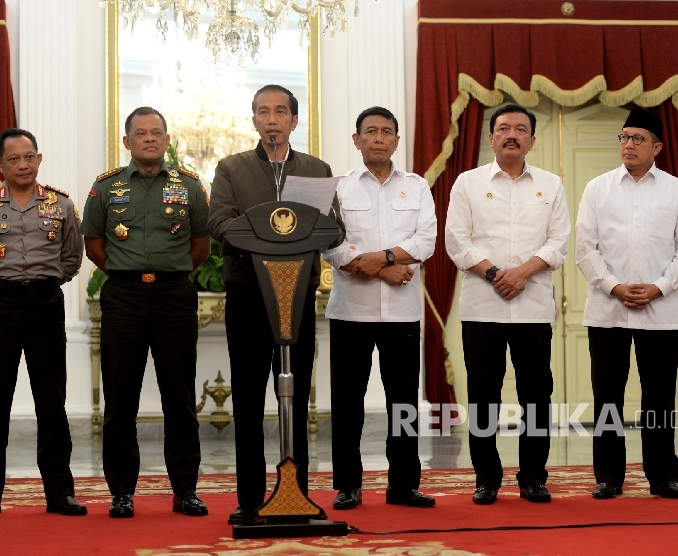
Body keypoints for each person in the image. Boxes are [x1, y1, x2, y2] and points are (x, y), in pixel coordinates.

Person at [207, 84, 343, 525]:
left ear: (293, 121)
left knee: (295, 396)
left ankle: (296, 493)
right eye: (263, 112)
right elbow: (219, 222)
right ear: (253, 121)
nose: (272, 120)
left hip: (296, 294)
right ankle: (249, 497)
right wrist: (266, 234)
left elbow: (333, 227)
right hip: (249, 293)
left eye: (280, 112)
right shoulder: (232, 168)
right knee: (247, 397)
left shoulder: (316, 169)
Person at [82, 107, 211, 518]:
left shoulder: (190, 187)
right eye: (141, 133)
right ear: (127, 142)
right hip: (123, 297)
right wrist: (130, 274)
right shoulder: (106, 188)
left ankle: (185, 491)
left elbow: (201, 247)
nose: (150, 139)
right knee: (121, 399)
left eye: (157, 133)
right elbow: (95, 247)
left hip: (175, 297)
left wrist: (169, 274)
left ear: (168, 140)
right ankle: (122, 492)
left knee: (180, 396)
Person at [445, 103, 571, 505]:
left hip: (533, 307)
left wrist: (523, 272)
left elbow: (559, 242)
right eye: (503, 128)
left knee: (537, 395)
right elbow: (456, 242)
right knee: (484, 395)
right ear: (491, 138)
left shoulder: (551, 184)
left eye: (520, 128)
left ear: (532, 139)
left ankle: (534, 477)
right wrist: (496, 273)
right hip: (484, 306)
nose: (511, 134)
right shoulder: (466, 182)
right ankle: (487, 479)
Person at [575, 107, 678, 500]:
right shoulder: (597, 188)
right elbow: (584, 248)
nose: (628, 145)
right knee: (607, 396)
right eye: (624, 137)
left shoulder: (677, 190)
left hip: (660, 312)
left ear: (657, 147)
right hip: (607, 310)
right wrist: (613, 286)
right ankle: (608, 476)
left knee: (658, 398)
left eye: (638, 139)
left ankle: (663, 476)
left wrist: (659, 287)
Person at [0, 128, 86, 518]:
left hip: (45, 306)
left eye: (29, 156)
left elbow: (71, 258)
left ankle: (59, 494)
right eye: (14, 159)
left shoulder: (61, 205)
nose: (23, 165)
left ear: (39, 158)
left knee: (52, 403)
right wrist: (2, 288)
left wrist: (42, 285)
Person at [323, 106, 437, 510]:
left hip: (403, 313)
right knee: (348, 403)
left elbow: (426, 241)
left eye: (386, 132)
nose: (378, 138)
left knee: (403, 402)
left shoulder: (418, 186)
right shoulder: (337, 186)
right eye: (370, 131)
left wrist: (382, 259)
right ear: (356, 140)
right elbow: (330, 243)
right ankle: (348, 485)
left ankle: (404, 485)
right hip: (351, 310)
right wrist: (384, 269)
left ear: (396, 141)